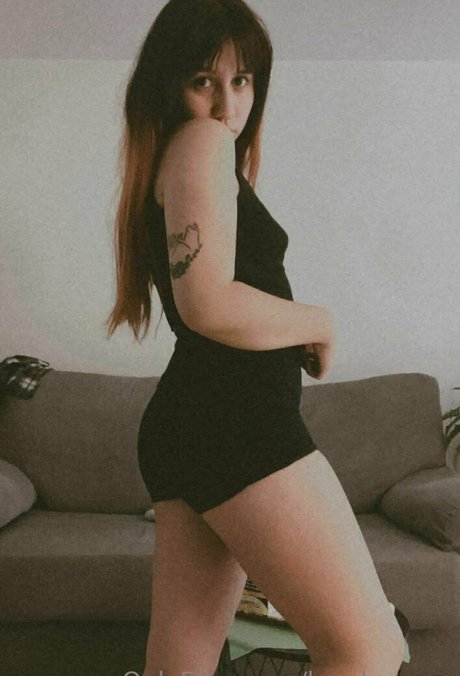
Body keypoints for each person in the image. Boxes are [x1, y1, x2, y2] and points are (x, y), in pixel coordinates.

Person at [106, 1, 406, 674]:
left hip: (192, 424)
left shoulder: (176, 155)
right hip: (236, 423)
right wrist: (318, 321)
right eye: (203, 80)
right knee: (369, 649)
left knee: (178, 668)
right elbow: (208, 303)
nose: (226, 105)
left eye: (241, 80)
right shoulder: (202, 143)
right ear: (169, 85)